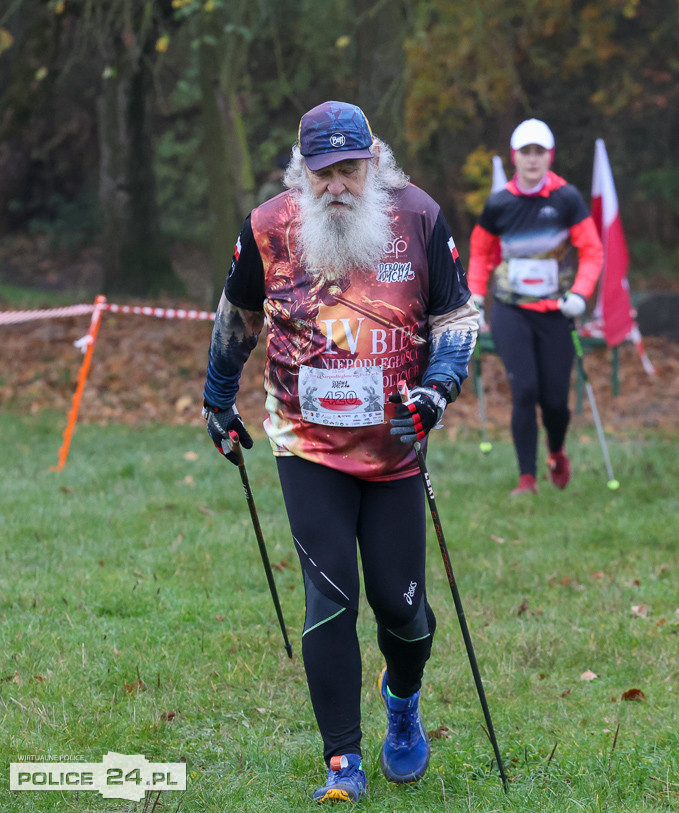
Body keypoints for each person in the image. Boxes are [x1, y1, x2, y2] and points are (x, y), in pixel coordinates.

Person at [201, 101, 478, 803]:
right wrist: (217, 397)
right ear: (303, 170)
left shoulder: (416, 216)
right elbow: (236, 314)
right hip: (305, 442)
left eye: (349, 170)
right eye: (321, 173)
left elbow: (456, 317)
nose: (336, 186)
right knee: (330, 599)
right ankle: (342, 762)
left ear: (373, 161)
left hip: (394, 444)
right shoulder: (270, 227)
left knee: (402, 610)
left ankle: (403, 698)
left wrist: (440, 388)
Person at [467, 118, 604, 497]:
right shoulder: (499, 203)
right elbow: (481, 253)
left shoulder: (566, 198)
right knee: (524, 390)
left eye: (539, 152)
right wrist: (476, 297)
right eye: (525, 152)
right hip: (511, 309)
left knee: (555, 400)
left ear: (549, 156)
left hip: (558, 311)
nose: (532, 160)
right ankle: (526, 478)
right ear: (515, 157)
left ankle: (557, 451)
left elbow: (592, 250)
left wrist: (580, 293)